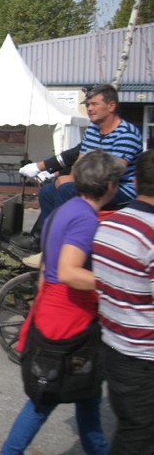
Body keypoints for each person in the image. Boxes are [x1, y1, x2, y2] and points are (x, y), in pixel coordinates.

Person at [0, 149, 124, 455]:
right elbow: (69, 272)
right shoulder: (85, 219)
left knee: (86, 399)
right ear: (109, 186)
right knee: (45, 402)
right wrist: (116, 284)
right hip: (70, 323)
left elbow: (46, 269)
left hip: (55, 315)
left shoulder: (65, 210)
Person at [15, 84, 142, 252]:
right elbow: (81, 162)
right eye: (88, 105)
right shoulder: (93, 130)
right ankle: (41, 240)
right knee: (48, 191)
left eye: (94, 104)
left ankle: (57, 246)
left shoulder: (127, 133)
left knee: (68, 189)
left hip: (120, 189)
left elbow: (113, 172)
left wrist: (73, 180)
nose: (89, 108)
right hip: (95, 183)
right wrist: (68, 176)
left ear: (111, 106)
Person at [92, 149, 154, 454]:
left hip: (114, 347)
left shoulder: (111, 225)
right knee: (137, 439)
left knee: (132, 432)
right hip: (143, 359)